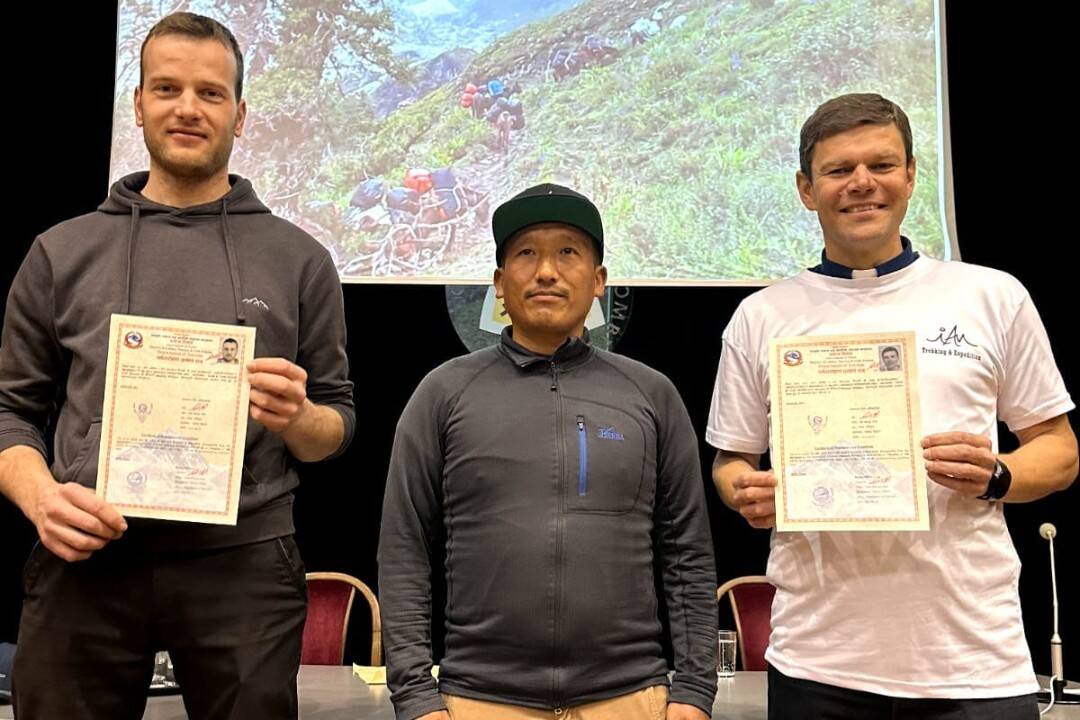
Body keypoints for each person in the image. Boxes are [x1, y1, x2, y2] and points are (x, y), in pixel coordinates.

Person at [0, 12, 354, 719]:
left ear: (240, 114)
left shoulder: (300, 259)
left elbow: (335, 425)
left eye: (210, 93)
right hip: (86, 558)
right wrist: (42, 499)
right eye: (166, 88)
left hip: (246, 564)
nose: (187, 108)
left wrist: (300, 417)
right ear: (137, 104)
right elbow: (11, 411)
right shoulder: (61, 251)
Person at [707, 92, 1077, 718]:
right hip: (816, 664)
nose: (861, 184)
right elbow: (730, 461)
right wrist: (746, 489)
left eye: (880, 165)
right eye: (838, 170)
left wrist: (999, 475)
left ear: (910, 174)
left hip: (975, 666)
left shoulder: (992, 296)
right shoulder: (761, 316)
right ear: (806, 188)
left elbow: (1060, 451)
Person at [379, 183, 717, 720]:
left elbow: (687, 552)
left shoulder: (651, 394)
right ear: (498, 283)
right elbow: (404, 549)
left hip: (630, 699)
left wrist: (695, 692)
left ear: (599, 281)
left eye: (568, 252)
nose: (546, 271)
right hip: (477, 700)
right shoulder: (443, 392)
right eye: (526, 254)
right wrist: (417, 697)